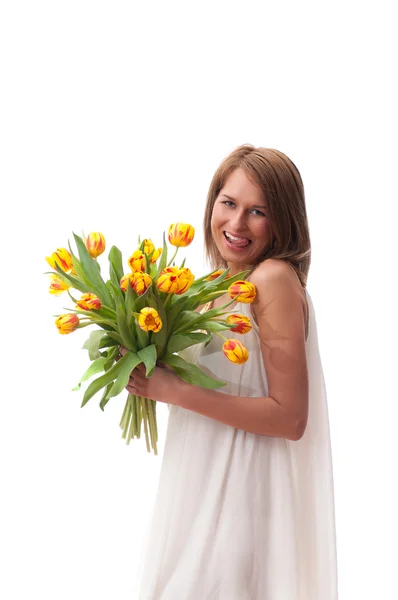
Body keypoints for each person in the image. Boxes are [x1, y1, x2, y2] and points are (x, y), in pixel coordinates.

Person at [127, 144, 338, 599]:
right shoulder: (214, 286)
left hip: (241, 497)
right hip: (199, 492)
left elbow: (290, 418)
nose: (237, 224)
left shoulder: (273, 279)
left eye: (258, 211)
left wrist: (174, 390)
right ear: (212, 203)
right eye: (229, 204)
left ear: (282, 219)